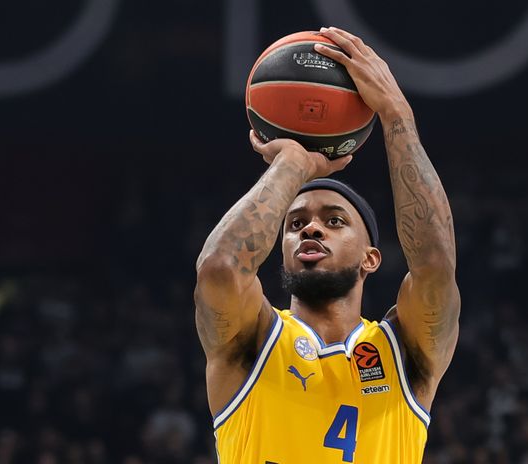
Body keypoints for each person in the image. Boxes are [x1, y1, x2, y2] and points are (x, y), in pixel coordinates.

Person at [194, 26, 460, 463]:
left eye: (333, 221)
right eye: (295, 223)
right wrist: (293, 164)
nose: (310, 229)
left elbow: (435, 265)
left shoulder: (405, 352)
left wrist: (397, 116)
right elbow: (220, 267)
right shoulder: (253, 339)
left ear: (371, 258)